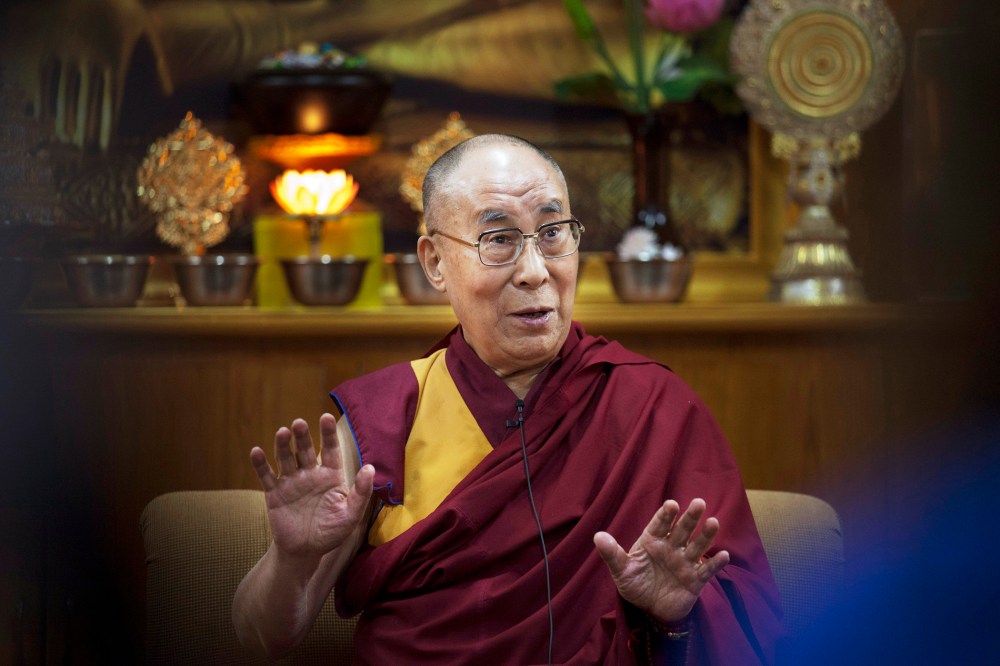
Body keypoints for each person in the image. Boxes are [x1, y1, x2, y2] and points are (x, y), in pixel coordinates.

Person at [232, 134, 782, 664]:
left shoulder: (652, 405)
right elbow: (263, 639)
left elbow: (745, 611)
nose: (535, 271)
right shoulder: (388, 418)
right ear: (435, 263)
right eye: (498, 240)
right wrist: (292, 560)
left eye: (553, 233)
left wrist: (669, 618)